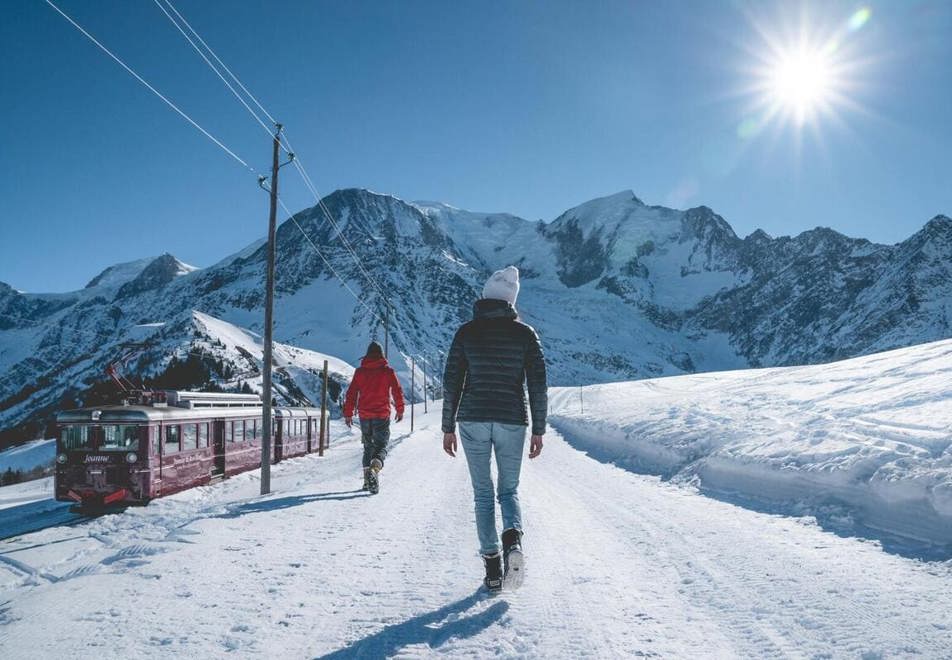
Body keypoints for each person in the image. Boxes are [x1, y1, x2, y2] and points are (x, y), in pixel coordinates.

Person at [441, 266, 547, 593]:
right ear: (512, 302)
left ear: (485, 298)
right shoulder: (526, 334)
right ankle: (513, 541)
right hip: (512, 419)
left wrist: (448, 427)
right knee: (508, 490)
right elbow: (538, 386)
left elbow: (452, 383)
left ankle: (491, 568)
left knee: (483, 493)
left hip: (472, 418)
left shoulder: (466, 333)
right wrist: (538, 430)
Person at [343, 341, 405, 494]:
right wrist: (400, 409)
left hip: (364, 416)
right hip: (382, 415)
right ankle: (375, 469)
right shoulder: (388, 371)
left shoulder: (360, 372)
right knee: (381, 447)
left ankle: (366, 482)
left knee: (367, 447)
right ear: (382, 355)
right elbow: (397, 390)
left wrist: (348, 413)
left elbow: (351, 394)